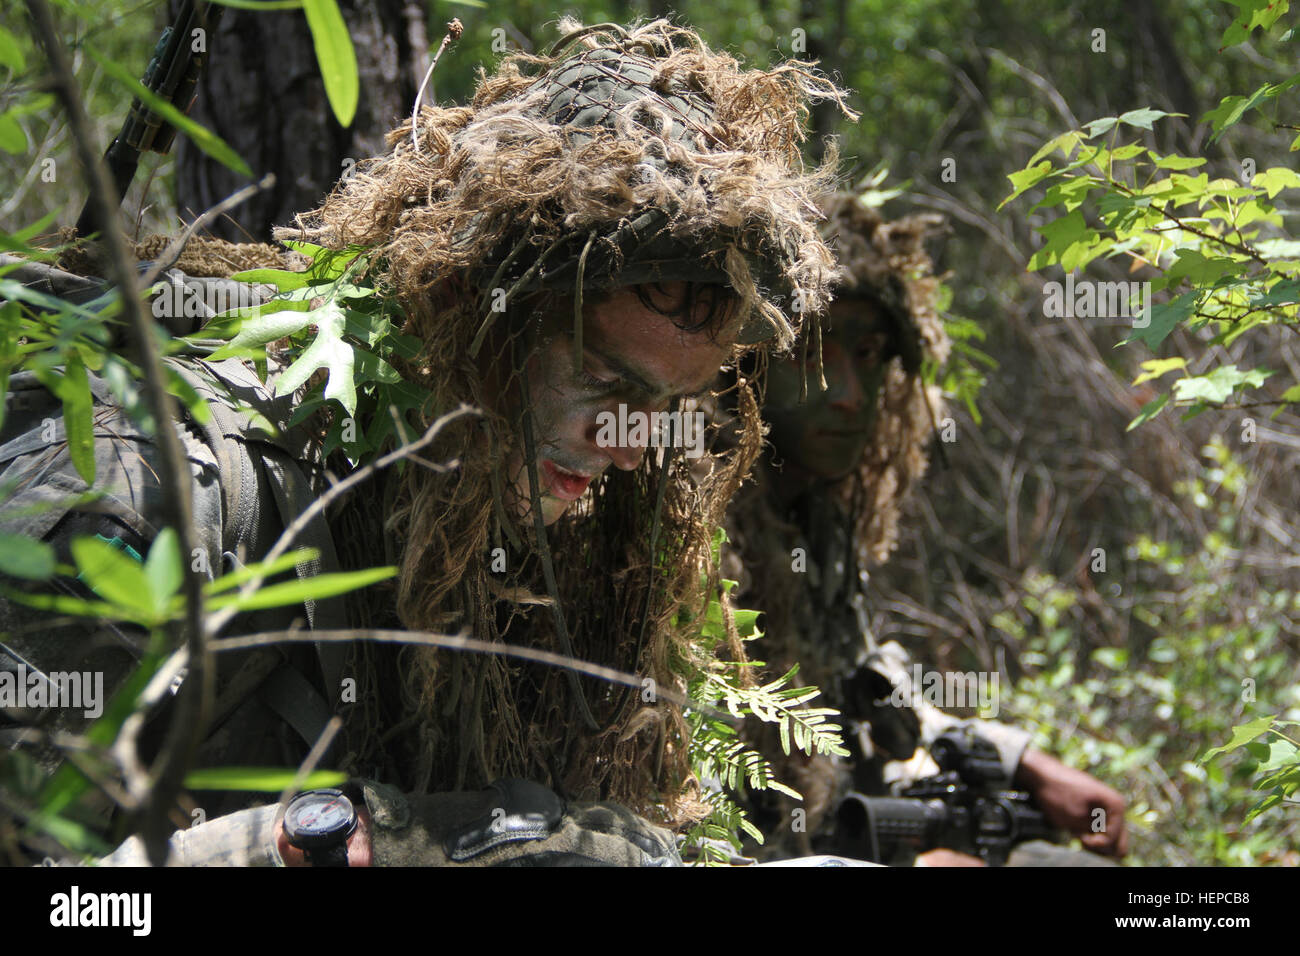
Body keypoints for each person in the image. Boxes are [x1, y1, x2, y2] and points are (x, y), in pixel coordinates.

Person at [0, 19, 852, 866]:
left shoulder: (528, 552)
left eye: (666, 406)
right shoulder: (156, 492)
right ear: (460, 303)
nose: (630, 448)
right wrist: (345, 847)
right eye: (606, 382)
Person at [722, 192, 1129, 865]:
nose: (851, 391)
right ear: (745, 362)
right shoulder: (691, 540)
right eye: (815, 352)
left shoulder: (813, 520)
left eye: (871, 352)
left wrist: (1026, 765)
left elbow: (857, 686)